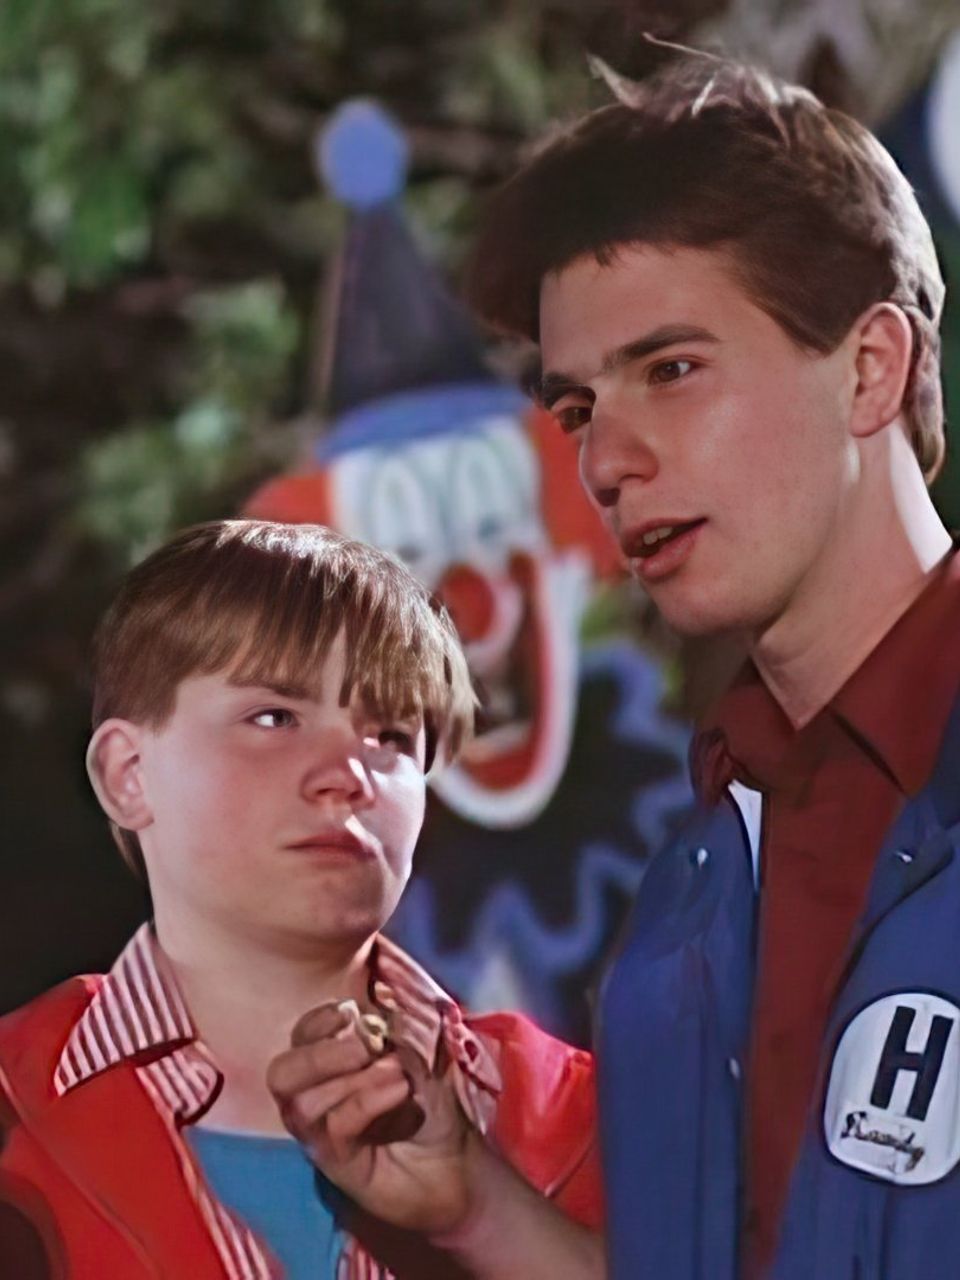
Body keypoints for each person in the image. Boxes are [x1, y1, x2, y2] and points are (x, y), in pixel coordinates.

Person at [279, 50, 960, 1280]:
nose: (606, 463)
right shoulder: (688, 892)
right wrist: (478, 1205)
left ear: (871, 367)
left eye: (671, 370)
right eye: (579, 408)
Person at [0, 519, 602, 1279]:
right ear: (128, 774)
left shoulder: (574, 1113)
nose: (348, 773)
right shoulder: (14, 1103)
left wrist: (488, 1214)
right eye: (274, 718)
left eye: (391, 734)